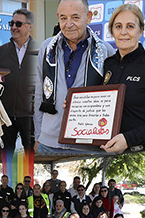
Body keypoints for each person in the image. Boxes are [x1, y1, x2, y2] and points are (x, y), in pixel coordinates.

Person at [34, 0, 115, 154]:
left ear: (88, 17)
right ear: (58, 17)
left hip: (87, 146)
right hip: (48, 143)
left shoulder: (105, 51)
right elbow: (39, 93)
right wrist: (38, 136)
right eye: (63, 18)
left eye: (75, 17)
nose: (68, 24)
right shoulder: (46, 48)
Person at [101, 4, 145, 154]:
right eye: (118, 26)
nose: (123, 32)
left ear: (141, 31)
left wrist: (128, 139)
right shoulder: (108, 64)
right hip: (105, 150)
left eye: (130, 26)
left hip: (137, 153)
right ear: (112, 31)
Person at [0, 8, 35, 152]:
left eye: (18, 24)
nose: (13, 27)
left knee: (32, 157)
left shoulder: (40, 50)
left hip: (31, 117)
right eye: (11, 23)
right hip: (6, 116)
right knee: (5, 156)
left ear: (30, 26)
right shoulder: (0, 52)